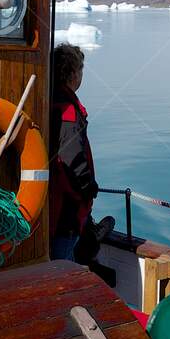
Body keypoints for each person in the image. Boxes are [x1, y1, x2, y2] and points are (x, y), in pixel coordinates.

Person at [48, 43, 111, 266]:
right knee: (63, 266)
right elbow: (71, 159)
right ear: (72, 74)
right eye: (80, 70)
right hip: (64, 211)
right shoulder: (67, 111)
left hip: (50, 204)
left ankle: (90, 235)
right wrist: (88, 189)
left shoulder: (47, 101)